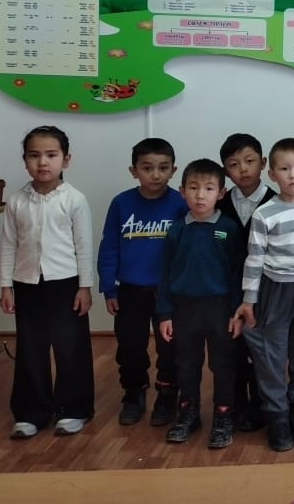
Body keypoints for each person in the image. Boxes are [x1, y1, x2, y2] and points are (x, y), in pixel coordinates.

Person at [0, 125, 95, 439]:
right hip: (27, 283)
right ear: (25, 160)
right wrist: (6, 285)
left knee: (70, 348)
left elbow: (84, 246)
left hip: (66, 284)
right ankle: (31, 412)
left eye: (51, 155)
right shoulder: (16, 201)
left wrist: (85, 287)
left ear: (66, 160)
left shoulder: (74, 200)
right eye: (34, 155)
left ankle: (74, 409)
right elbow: (9, 245)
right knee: (30, 347)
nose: (42, 162)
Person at [236, 138, 294, 451]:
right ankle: (277, 416)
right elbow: (254, 259)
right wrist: (249, 300)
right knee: (271, 357)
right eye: (285, 169)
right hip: (275, 292)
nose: (293, 175)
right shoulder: (265, 214)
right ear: (272, 174)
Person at [97, 137, 186, 428]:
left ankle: (167, 395)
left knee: (170, 348)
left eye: (163, 167)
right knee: (130, 347)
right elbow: (109, 246)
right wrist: (109, 287)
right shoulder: (121, 203)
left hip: (168, 292)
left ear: (173, 170)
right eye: (147, 168)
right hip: (129, 290)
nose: (155, 174)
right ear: (133, 170)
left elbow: (189, 249)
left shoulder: (180, 204)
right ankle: (134, 393)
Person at [157, 159, 245, 448]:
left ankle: (223, 415)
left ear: (221, 193)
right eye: (193, 188)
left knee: (223, 364)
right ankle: (188, 413)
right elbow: (165, 273)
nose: (200, 195)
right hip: (184, 309)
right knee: (186, 364)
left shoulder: (229, 229)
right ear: (182, 191)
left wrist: (236, 311)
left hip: (220, 309)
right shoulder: (176, 230)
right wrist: (165, 313)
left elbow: (238, 273)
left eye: (208, 188)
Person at [217, 133, 276, 432]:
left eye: (250, 161)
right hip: (227, 290)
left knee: (261, 352)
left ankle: (262, 406)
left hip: (265, 291)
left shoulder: (277, 202)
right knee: (231, 350)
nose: (243, 169)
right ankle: (233, 405)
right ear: (225, 171)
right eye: (234, 164)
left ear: (263, 163)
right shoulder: (219, 203)